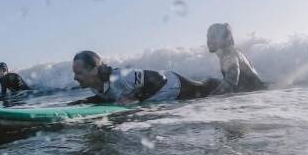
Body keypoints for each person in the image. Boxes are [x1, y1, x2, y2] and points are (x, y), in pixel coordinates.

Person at [70, 51, 218, 105]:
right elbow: (106, 97)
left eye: (79, 73)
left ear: (94, 70)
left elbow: (159, 78)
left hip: (177, 86)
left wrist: (134, 96)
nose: (75, 77)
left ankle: (224, 84)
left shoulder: (120, 77)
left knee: (209, 90)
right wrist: (82, 102)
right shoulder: (95, 87)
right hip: (169, 97)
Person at [206, 23, 266, 94]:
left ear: (224, 39)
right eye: (208, 37)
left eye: (212, 37)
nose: (208, 41)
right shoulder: (229, 53)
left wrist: (210, 98)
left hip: (259, 97)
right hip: (257, 95)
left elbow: (231, 82)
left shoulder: (229, 55)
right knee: (212, 82)